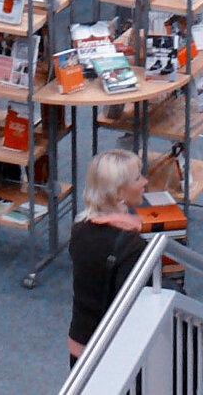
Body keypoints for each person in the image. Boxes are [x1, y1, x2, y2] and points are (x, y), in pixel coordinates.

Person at [68, 149, 147, 365]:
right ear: (119, 194)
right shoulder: (132, 246)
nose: (145, 182)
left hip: (79, 345)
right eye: (138, 178)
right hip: (111, 354)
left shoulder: (79, 229)